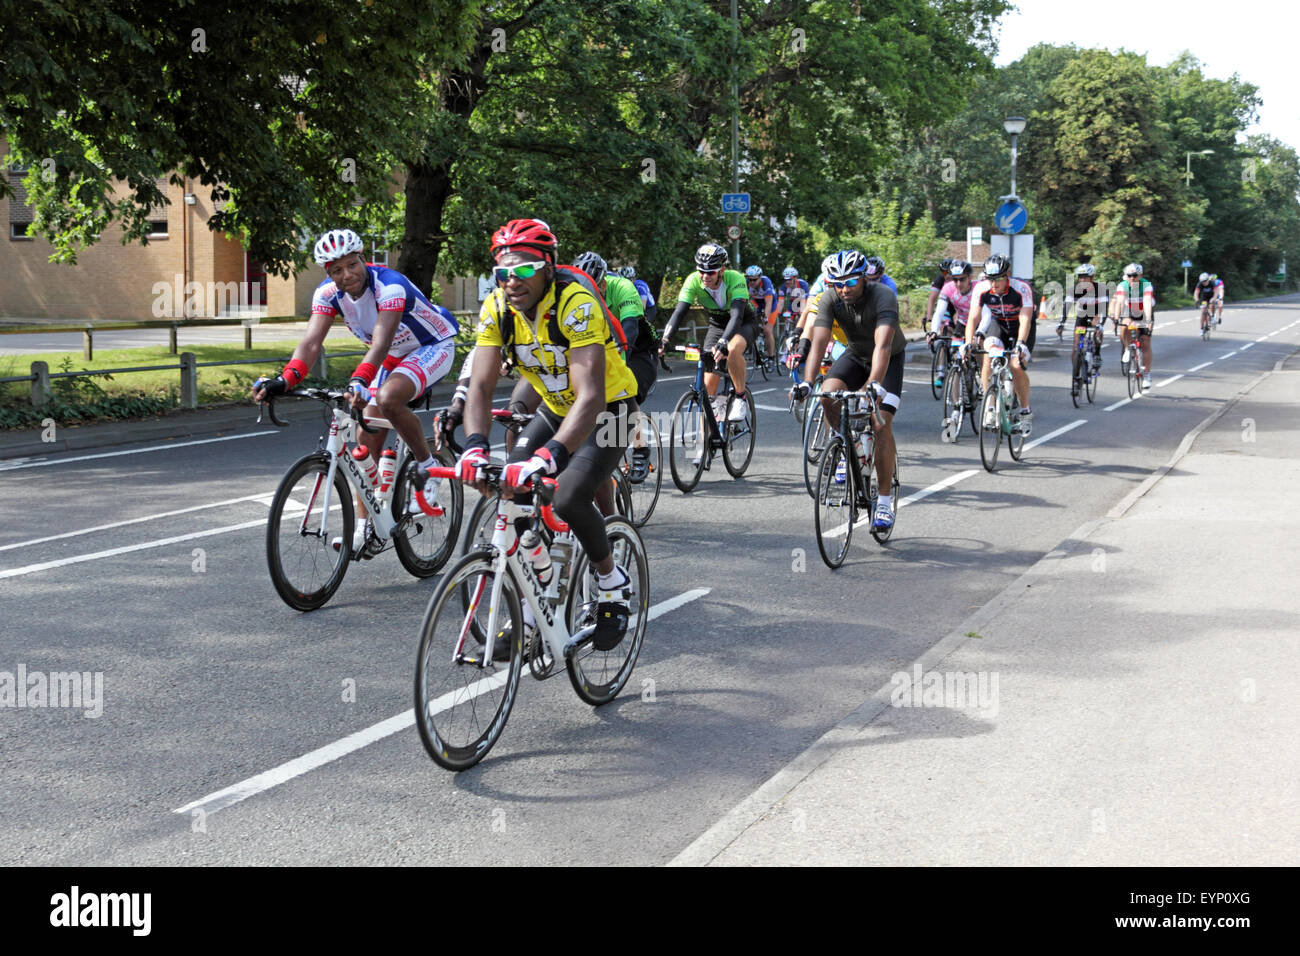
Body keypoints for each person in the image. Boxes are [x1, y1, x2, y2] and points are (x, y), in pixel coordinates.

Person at [456, 218, 638, 651]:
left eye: (524, 269)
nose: (511, 280)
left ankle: (612, 583)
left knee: (569, 494)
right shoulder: (497, 308)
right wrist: (474, 447)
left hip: (610, 408)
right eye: (502, 272)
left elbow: (592, 396)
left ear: (549, 267)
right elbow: (480, 386)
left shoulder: (575, 302)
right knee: (511, 489)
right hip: (557, 408)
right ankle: (540, 595)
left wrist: (552, 455)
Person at [252, 227, 458, 552]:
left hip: (430, 345)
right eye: (336, 270)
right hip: (390, 357)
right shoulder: (327, 295)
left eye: (352, 265)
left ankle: (426, 466)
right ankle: (366, 528)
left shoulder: (390, 286)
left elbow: (380, 342)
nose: (346, 275)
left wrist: (360, 379)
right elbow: (311, 342)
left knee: (388, 399)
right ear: (327, 273)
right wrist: (285, 379)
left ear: (363, 259)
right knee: (366, 436)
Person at [789, 250, 905, 531]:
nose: (843, 289)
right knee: (828, 394)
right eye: (837, 283)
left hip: (887, 360)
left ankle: (885, 502)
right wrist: (807, 381)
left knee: (880, 425)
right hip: (854, 355)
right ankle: (846, 445)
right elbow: (819, 342)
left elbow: (884, 346)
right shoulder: (830, 298)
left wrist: (872, 385)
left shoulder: (883, 296)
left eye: (850, 282)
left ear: (864, 278)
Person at [658, 243, 758, 432]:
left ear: (721, 270)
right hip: (718, 325)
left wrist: (723, 342)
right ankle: (705, 444)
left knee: (733, 349)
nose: (704, 276)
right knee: (707, 389)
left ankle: (740, 397)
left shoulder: (735, 278)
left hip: (743, 322)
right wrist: (665, 340)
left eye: (710, 272)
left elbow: (736, 316)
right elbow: (679, 313)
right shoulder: (693, 281)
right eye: (701, 271)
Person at [960, 254, 1035, 433]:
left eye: (998, 279)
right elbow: (973, 318)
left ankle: (1025, 410)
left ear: (1007, 275)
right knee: (988, 356)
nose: (994, 284)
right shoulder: (981, 289)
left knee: (1016, 366)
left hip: (1020, 327)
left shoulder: (1022, 288)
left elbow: (1026, 319)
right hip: (999, 324)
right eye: (990, 279)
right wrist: (967, 343)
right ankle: (991, 407)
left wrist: (1021, 344)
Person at [1059, 264, 1109, 391]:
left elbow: (1104, 309)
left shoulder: (1101, 289)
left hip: (1096, 315)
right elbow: (1066, 307)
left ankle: (1097, 354)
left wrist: (1100, 326)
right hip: (1081, 317)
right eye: (1080, 277)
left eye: (1085, 278)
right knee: (1076, 347)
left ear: (1092, 277)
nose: (1082, 280)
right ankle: (1077, 375)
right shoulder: (1074, 289)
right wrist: (1061, 323)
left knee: (1096, 330)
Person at [928, 259, 974, 388]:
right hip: (957, 316)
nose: (958, 283)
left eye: (962, 279)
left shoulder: (977, 287)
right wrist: (933, 331)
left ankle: (982, 380)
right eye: (955, 279)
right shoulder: (946, 286)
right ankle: (944, 372)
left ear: (969, 277)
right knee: (949, 337)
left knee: (976, 344)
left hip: (973, 318)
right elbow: (937, 309)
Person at [1115, 262, 1156, 388]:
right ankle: (1127, 348)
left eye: (1135, 275)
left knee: (1145, 342)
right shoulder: (1123, 285)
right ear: (1126, 276)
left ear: (1140, 275)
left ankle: (1147, 374)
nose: (1132, 278)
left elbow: (1147, 302)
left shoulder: (1146, 285)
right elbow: (1120, 302)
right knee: (1123, 329)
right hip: (1129, 312)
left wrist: (1148, 320)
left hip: (1144, 312)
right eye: (1129, 275)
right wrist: (1117, 318)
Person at [745, 265, 778, 360]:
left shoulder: (766, 282)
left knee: (767, 330)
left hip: (770, 303)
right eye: (750, 279)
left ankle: (771, 357)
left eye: (754, 280)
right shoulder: (746, 283)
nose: (751, 282)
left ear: (760, 278)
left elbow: (768, 303)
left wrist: (765, 318)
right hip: (757, 302)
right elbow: (744, 300)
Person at [926, 257, 955, 325]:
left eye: (949, 272)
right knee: (943, 325)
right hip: (946, 306)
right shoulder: (940, 279)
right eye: (944, 272)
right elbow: (932, 298)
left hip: (960, 307)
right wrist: (928, 315)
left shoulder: (960, 280)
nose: (947, 275)